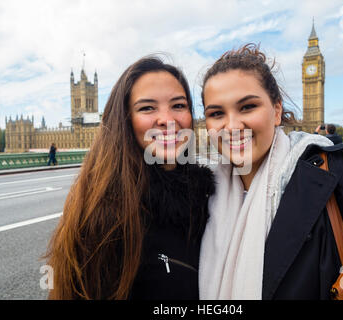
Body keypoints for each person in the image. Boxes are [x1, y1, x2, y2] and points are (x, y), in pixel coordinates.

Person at [198, 44, 343, 300]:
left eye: (247, 107)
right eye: (216, 113)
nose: (233, 125)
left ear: (277, 111)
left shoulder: (342, 174)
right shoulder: (203, 194)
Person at [44, 57, 215, 299]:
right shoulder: (105, 218)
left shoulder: (212, 198)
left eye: (178, 105)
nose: (167, 119)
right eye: (147, 107)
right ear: (124, 119)